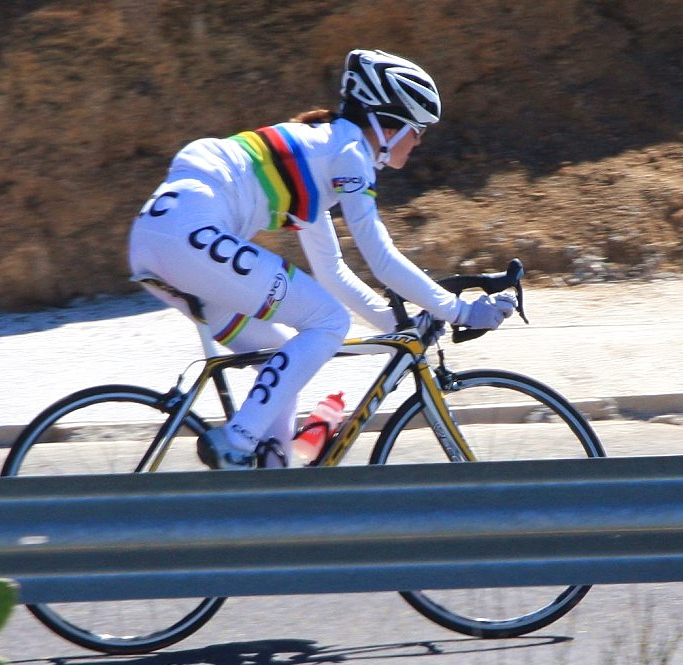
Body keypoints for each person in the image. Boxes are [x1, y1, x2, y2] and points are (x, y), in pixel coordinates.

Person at [128, 48, 516, 470]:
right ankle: (235, 442)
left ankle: (273, 479)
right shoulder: (348, 152)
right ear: (387, 125)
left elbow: (333, 272)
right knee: (329, 321)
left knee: (281, 355)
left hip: (156, 242)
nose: (420, 140)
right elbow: (381, 258)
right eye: (418, 128)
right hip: (189, 235)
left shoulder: (317, 154)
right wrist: (458, 308)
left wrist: (401, 326)